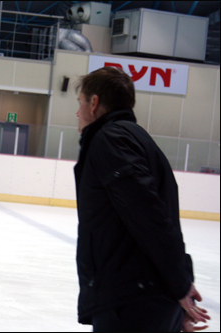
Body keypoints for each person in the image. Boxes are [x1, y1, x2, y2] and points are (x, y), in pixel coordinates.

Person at [73, 67, 210, 332]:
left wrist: (179, 287)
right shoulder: (139, 140)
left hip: (132, 303)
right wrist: (177, 287)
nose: (77, 113)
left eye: (80, 103)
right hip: (146, 297)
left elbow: (149, 216)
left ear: (94, 102)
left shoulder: (111, 141)